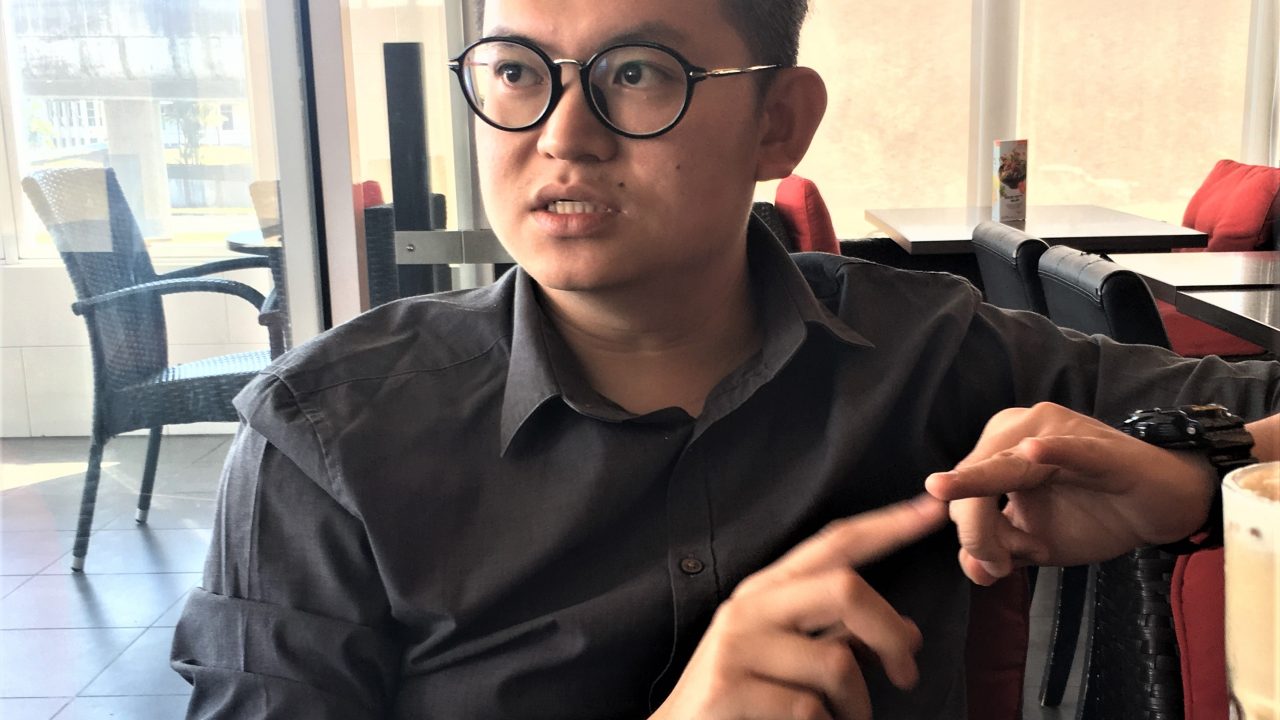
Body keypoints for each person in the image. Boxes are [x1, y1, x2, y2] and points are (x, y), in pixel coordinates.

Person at [171, 0, 1280, 717]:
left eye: (637, 73)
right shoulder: (326, 437)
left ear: (778, 124)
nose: (561, 134)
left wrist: (1204, 473)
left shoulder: (932, 351)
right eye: (514, 72)